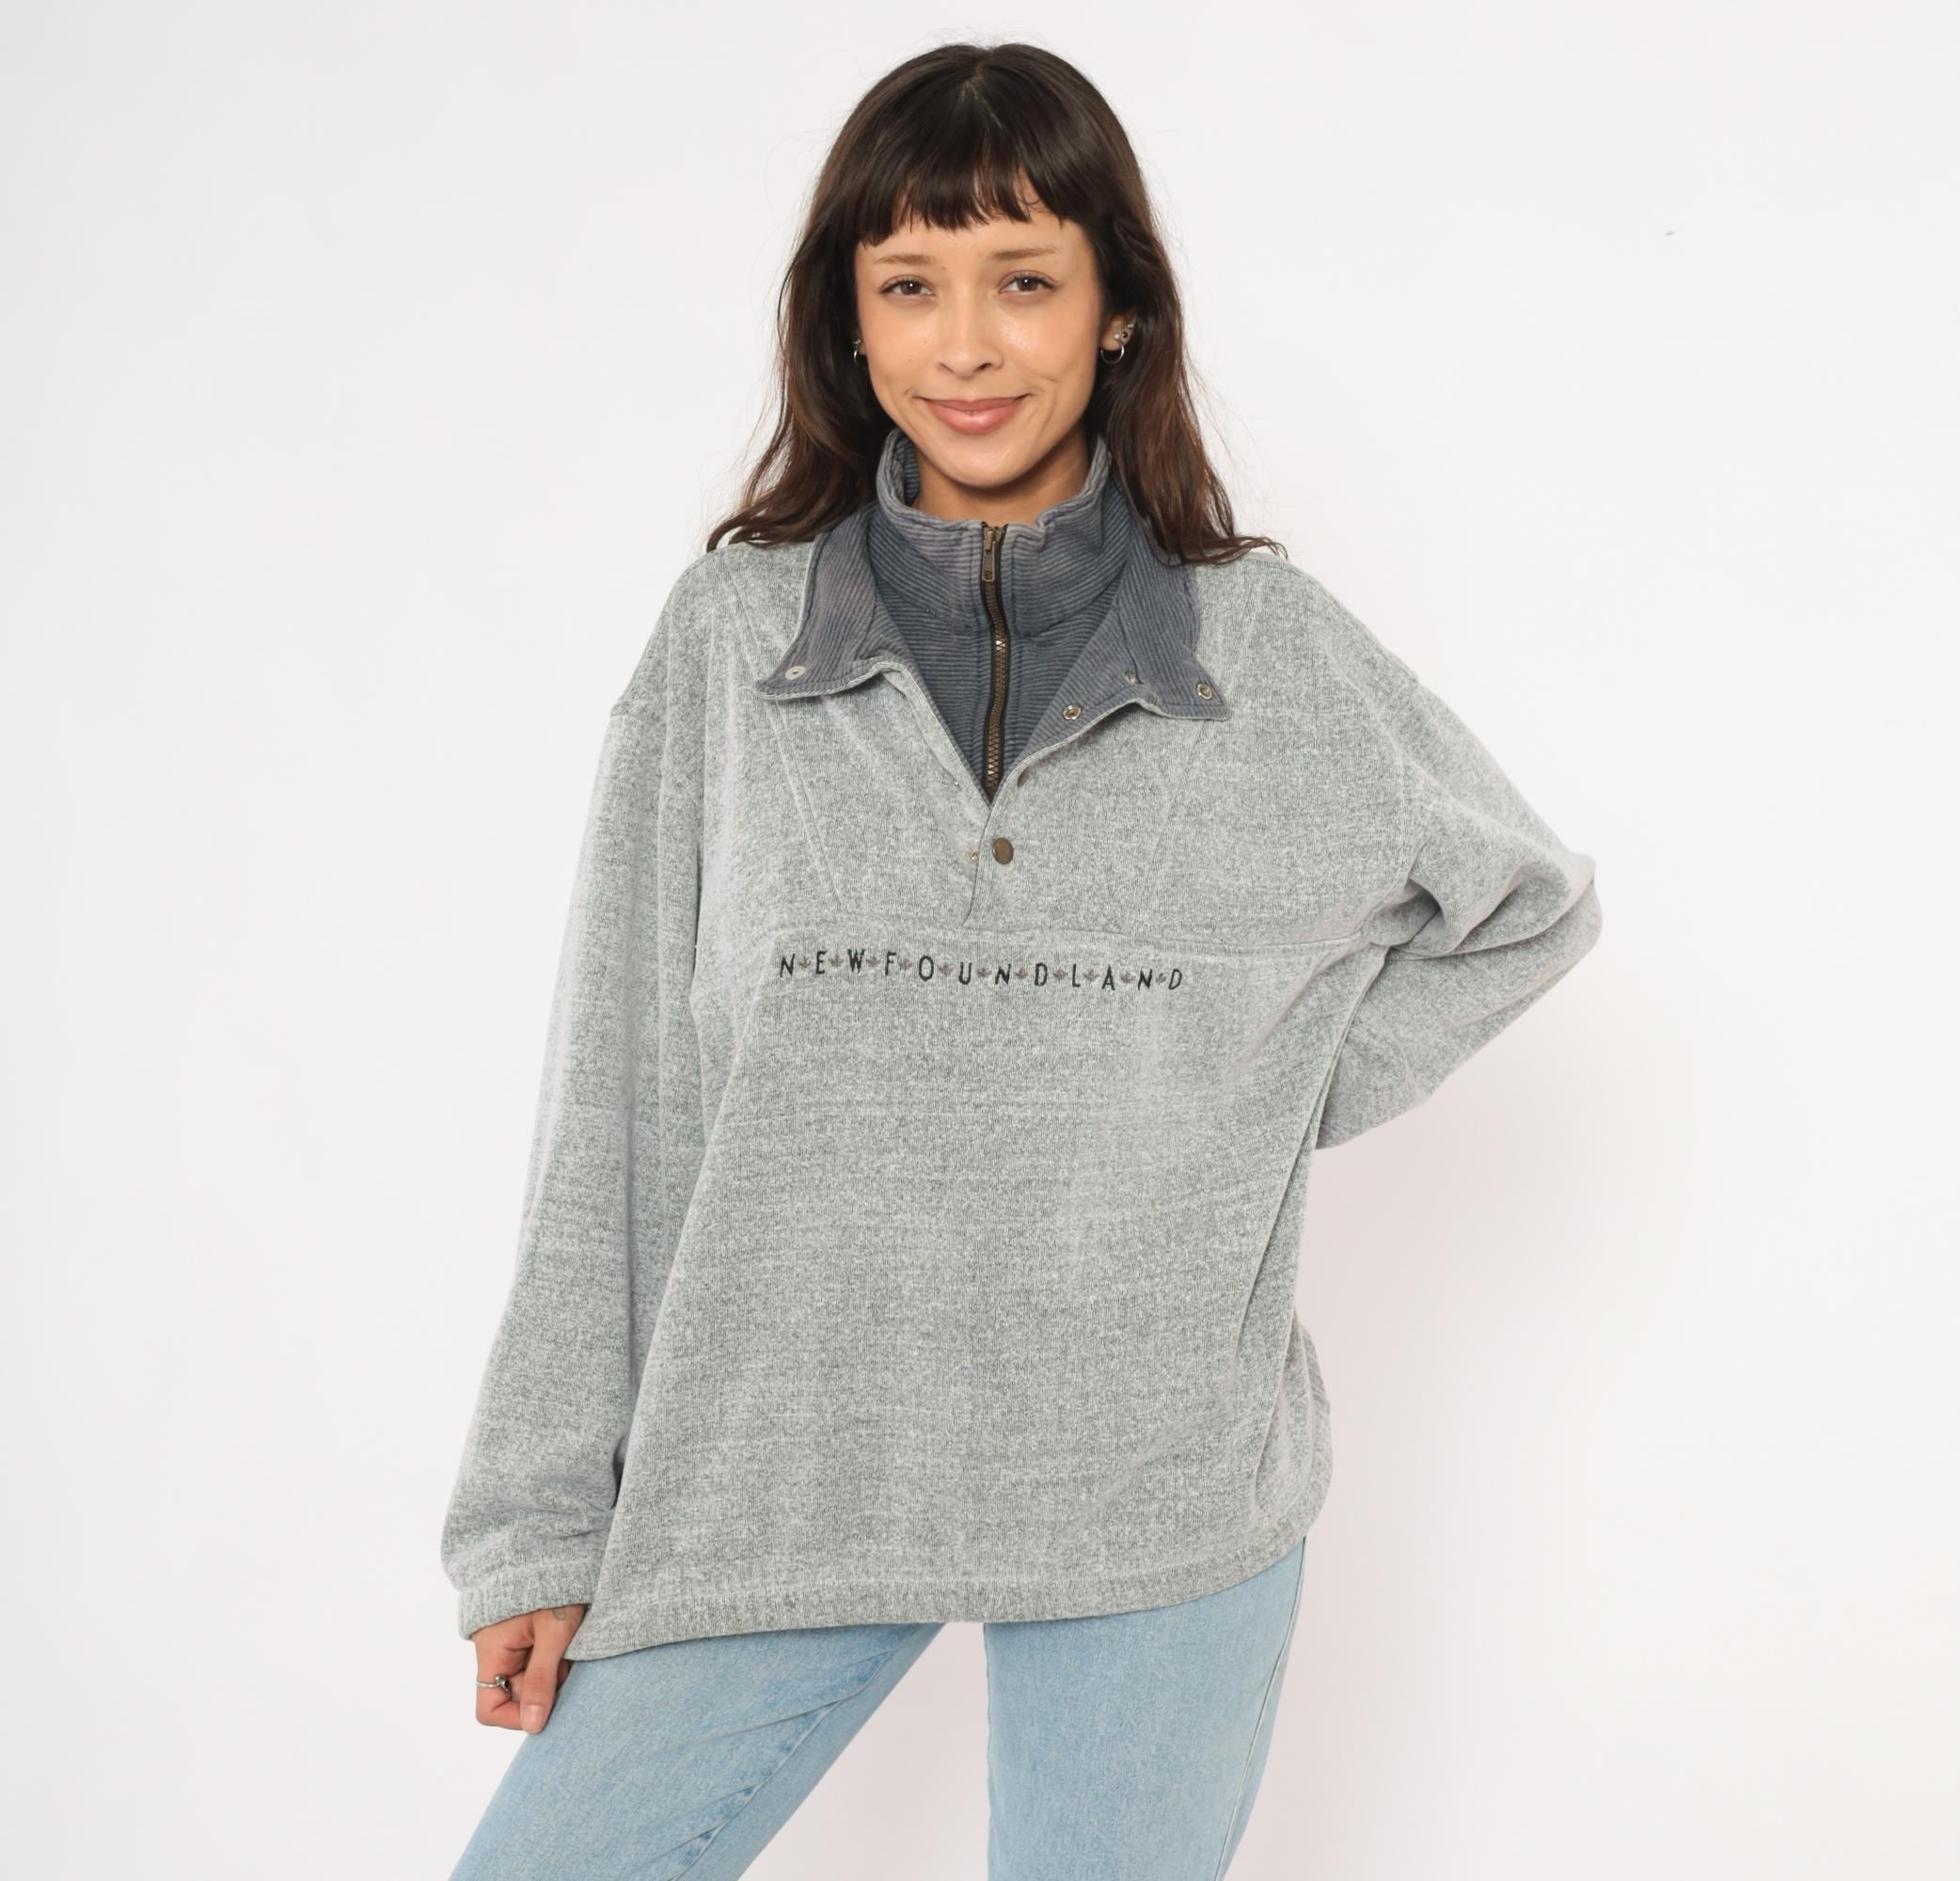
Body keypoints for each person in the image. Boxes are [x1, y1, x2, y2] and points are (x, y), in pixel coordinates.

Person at [438, 40, 1604, 1881]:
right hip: (781, 1459)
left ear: (1118, 309)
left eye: (1024, 281)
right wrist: (535, 1523)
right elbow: (619, 1101)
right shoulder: (730, 640)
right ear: (845, 323)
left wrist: (1249, 1089)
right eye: (909, 285)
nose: (967, 346)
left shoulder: (1270, 648)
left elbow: (1523, 904)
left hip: (1157, 1482)